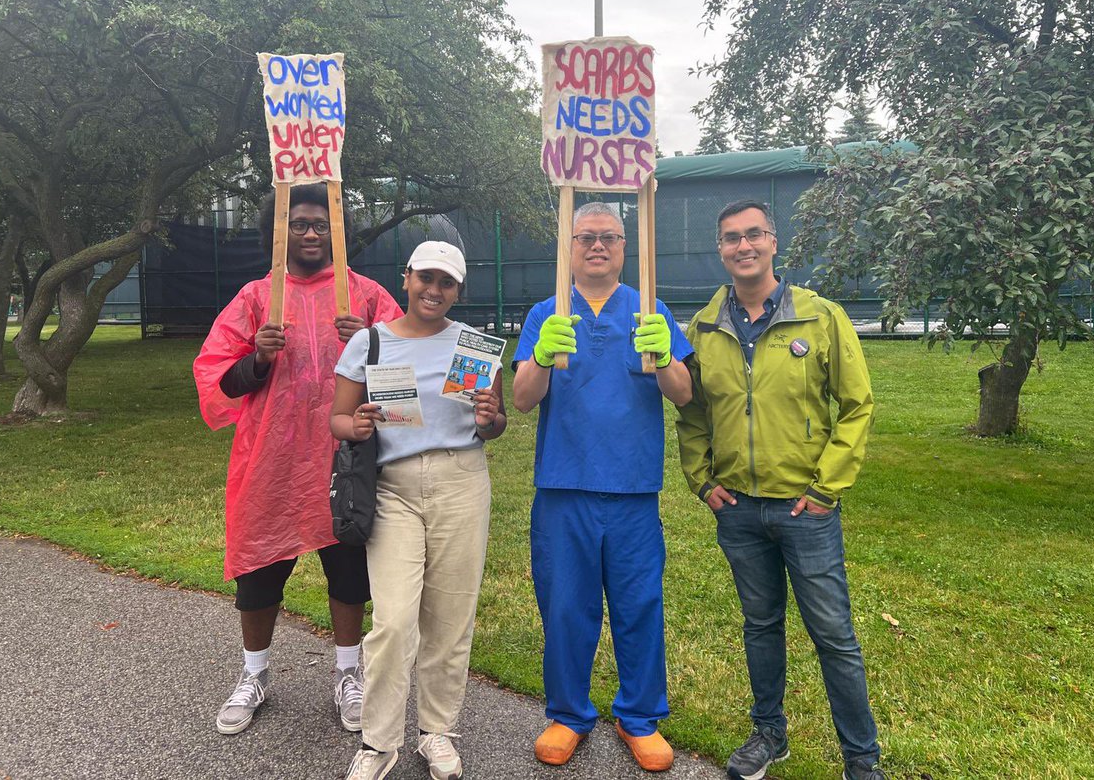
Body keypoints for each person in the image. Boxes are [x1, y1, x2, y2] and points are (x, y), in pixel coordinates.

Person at [675, 200, 885, 780]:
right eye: (730, 238)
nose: (743, 247)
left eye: (753, 235)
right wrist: (702, 480)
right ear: (719, 250)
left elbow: (857, 405)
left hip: (805, 509)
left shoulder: (820, 318)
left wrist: (826, 489)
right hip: (738, 509)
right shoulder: (705, 327)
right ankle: (770, 734)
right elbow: (692, 412)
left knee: (834, 636)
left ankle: (861, 760)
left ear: (773, 242)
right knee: (761, 626)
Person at [193, 183, 402, 736]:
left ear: (338, 233)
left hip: (347, 458)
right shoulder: (257, 298)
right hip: (272, 462)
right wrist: (258, 359)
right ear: (278, 232)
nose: (310, 233)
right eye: (299, 224)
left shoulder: (366, 295)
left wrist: (374, 341)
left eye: (321, 225)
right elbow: (216, 374)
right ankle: (254, 674)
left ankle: (349, 673)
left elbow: (407, 373)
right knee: (259, 571)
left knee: (350, 571)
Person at [512, 202, 693, 773]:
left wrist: (664, 354)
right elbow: (521, 398)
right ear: (568, 246)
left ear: (624, 246)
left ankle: (639, 718)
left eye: (609, 237)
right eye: (585, 237)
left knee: (640, 605)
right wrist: (542, 356)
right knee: (566, 606)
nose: (597, 246)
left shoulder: (650, 308)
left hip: (634, 488)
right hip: (564, 487)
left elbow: (684, 393)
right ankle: (567, 714)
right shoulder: (548, 311)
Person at [332, 241, 507, 780]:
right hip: (393, 486)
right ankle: (379, 741)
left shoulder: (474, 346)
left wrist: (490, 416)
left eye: (446, 283)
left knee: (450, 618)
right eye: (425, 278)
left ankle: (437, 731)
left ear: (459, 290)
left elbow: (493, 426)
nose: (434, 290)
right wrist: (356, 424)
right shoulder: (371, 341)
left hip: (461, 479)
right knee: (394, 620)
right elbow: (338, 419)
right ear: (406, 279)